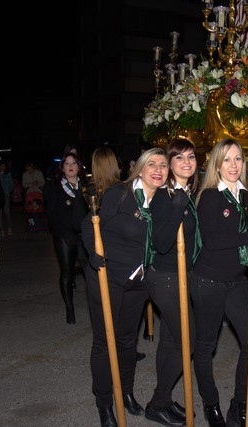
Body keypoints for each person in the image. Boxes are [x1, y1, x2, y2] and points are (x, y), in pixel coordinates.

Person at [81, 147, 168, 427]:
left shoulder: (165, 201)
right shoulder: (120, 193)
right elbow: (89, 223)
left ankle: (126, 392)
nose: (158, 169)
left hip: (138, 281)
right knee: (105, 343)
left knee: (128, 340)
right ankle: (104, 402)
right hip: (107, 276)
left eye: (163, 165)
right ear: (139, 168)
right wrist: (92, 253)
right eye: (151, 163)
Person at [191, 138, 248, 427]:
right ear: (217, 164)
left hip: (237, 281)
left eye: (238, 159)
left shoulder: (247, 195)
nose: (233, 165)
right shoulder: (210, 196)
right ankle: (211, 406)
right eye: (227, 159)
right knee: (206, 346)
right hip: (207, 280)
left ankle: (239, 406)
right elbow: (211, 241)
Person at [145, 139, 200, 426]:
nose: (187, 162)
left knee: (170, 341)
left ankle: (162, 401)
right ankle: (157, 402)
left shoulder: (186, 192)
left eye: (191, 157)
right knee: (187, 341)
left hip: (180, 276)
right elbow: (162, 242)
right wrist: (178, 203)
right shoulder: (166, 196)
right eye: (179, 158)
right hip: (166, 278)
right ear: (170, 163)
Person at [45, 152, 89, 324]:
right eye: (67, 163)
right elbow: (51, 215)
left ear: (79, 166)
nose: (70, 166)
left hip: (84, 236)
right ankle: (69, 309)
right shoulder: (55, 187)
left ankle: (96, 304)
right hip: (64, 236)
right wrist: (64, 234)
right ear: (62, 167)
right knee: (67, 273)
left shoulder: (86, 186)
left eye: (74, 163)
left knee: (90, 271)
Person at [0, 159, 14, 236]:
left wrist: (8, 192)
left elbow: (11, 185)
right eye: (1, 165)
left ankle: (9, 227)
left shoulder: (8, 174)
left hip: (6, 195)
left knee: (7, 212)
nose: (2, 167)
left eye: (4, 165)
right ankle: (1, 229)